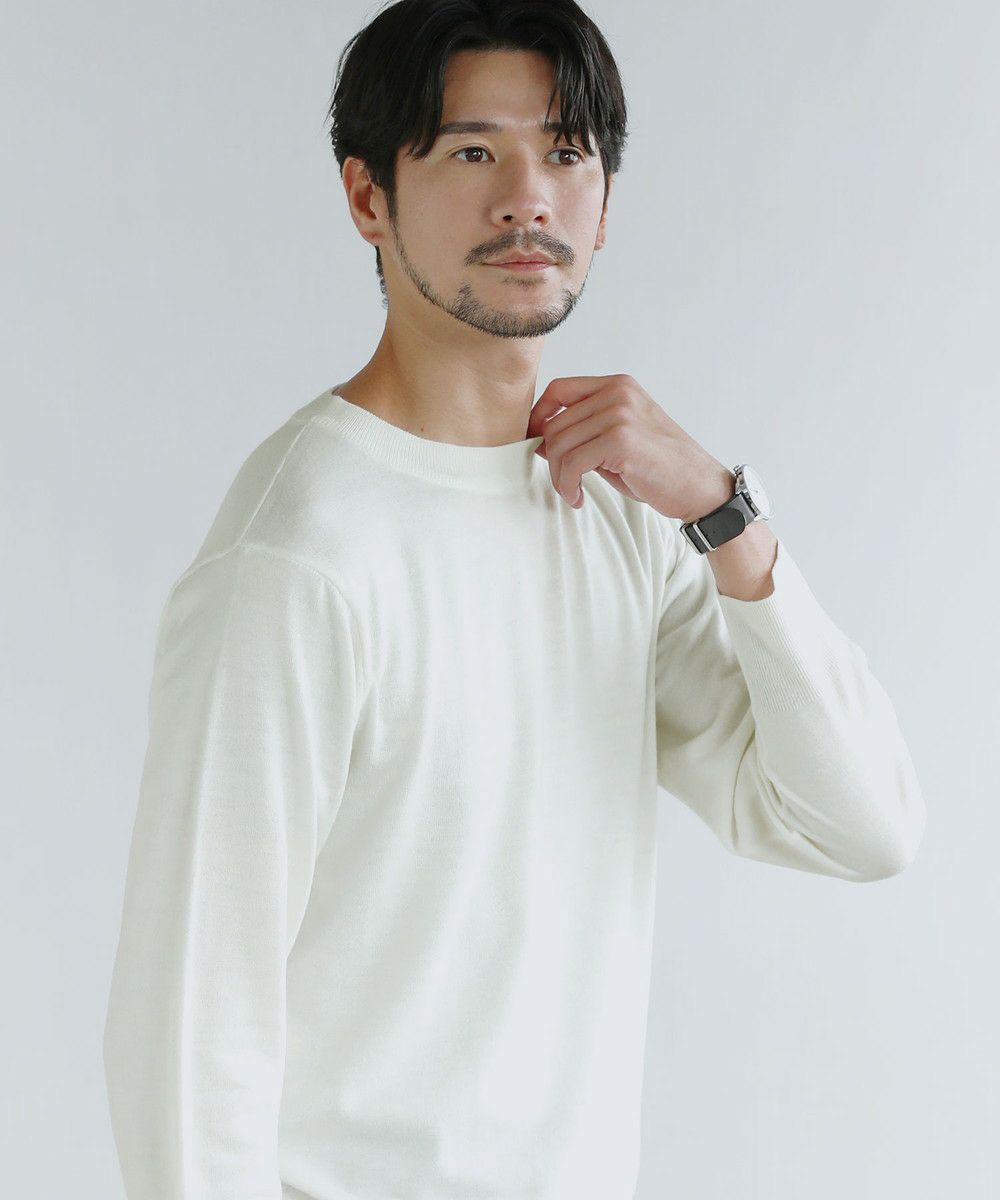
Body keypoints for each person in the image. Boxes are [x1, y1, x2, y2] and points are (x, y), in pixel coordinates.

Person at [101, 2, 926, 1197]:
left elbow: (859, 825)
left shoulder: (618, 516)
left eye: (566, 152)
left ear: (605, 202)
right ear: (367, 196)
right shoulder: (298, 555)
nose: (527, 199)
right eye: (472, 151)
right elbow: (188, 1026)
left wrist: (724, 518)